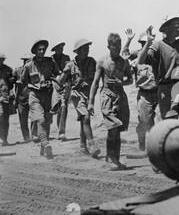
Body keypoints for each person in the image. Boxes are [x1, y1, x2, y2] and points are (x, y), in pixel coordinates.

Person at [138, 17, 179, 120]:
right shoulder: (158, 46)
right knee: (171, 125)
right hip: (166, 90)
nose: (178, 29)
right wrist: (148, 42)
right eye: (175, 27)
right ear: (166, 29)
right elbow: (141, 61)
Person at [88, 33, 133, 170]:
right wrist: (90, 102)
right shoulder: (102, 62)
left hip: (120, 97)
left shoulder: (124, 62)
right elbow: (95, 83)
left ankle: (115, 159)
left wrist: (122, 82)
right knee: (113, 128)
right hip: (107, 96)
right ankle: (109, 158)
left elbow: (130, 79)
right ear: (109, 47)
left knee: (117, 129)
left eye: (119, 47)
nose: (117, 50)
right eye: (114, 47)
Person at [60, 39, 100, 158]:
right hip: (76, 94)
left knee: (84, 119)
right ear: (77, 51)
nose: (87, 51)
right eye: (84, 49)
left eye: (87, 49)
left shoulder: (92, 61)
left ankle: (83, 146)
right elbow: (60, 82)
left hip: (88, 94)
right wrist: (65, 74)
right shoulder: (70, 64)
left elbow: (96, 78)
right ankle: (92, 145)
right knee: (86, 117)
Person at [21, 40, 61, 159]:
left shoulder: (50, 61)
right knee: (40, 120)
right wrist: (32, 86)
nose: (42, 51)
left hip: (48, 95)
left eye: (43, 49)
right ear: (35, 51)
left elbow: (57, 73)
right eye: (39, 49)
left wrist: (56, 82)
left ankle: (43, 148)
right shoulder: (29, 65)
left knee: (47, 121)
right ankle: (45, 142)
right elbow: (23, 80)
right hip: (35, 95)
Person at [134, 27, 158, 152]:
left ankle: (156, 148)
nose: (146, 45)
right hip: (145, 94)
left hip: (158, 93)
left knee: (158, 124)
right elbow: (123, 55)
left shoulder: (156, 55)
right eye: (143, 43)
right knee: (143, 122)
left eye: (148, 43)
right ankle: (142, 146)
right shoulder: (137, 56)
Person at [13, 54, 37, 143]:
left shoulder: (34, 70)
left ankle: (34, 135)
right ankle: (26, 137)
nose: (26, 61)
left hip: (32, 97)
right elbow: (15, 86)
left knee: (35, 117)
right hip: (21, 98)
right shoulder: (17, 71)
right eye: (25, 60)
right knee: (23, 120)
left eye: (28, 60)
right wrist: (15, 99)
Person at [51, 42, 71, 141]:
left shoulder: (67, 57)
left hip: (65, 84)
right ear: (55, 49)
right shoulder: (50, 59)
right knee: (54, 108)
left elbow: (69, 70)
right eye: (58, 48)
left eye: (62, 48)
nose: (61, 50)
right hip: (53, 84)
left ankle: (61, 132)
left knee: (64, 107)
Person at [0, 53, 14, 146]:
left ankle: (5, 138)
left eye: (2, 59)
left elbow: (11, 84)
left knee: (6, 119)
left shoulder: (8, 69)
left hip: (6, 97)